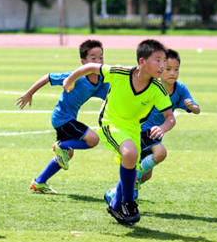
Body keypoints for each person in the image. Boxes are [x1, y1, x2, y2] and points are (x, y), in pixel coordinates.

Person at [62, 39, 176, 225]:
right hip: (110, 123)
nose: (163, 65)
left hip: (133, 129)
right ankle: (128, 203)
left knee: (131, 160)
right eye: (157, 60)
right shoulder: (120, 73)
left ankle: (115, 206)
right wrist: (70, 79)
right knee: (130, 154)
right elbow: (91, 66)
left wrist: (162, 128)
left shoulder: (157, 88)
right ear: (142, 62)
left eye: (164, 60)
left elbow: (170, 117)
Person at [16, 39, 109, 194]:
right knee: (93, 140)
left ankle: (39, 182)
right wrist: (29, 93)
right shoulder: (76, 77)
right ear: (83, 62)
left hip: (67, 118)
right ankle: (61, 146)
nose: (98, 61)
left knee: (67, 156)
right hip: (62, 118)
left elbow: (113, 95)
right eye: (93, 58)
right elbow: (49, 77)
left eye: (101, 57)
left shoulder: (101, 81)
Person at [106, 48, 200, 201]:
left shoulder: (180, 88)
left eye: (176, 69)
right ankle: (123, 190)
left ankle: (115, 192)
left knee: (146, 174)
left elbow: (196, 109)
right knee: (160, 153)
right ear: (160, 69)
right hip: (141, 128)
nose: (172, 73)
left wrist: (192, 107)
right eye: (168, 69)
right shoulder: (153, 86)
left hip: (156, 132)